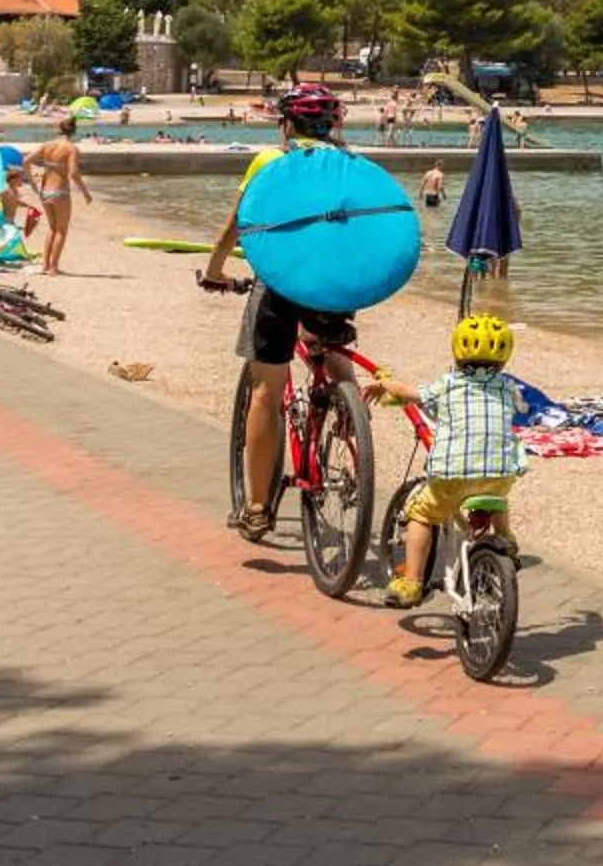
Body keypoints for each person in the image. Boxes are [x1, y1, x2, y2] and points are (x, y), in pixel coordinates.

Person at [199, 86, 361, 541]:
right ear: (334, 125)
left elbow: (238, 223)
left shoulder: (270, 161)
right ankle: (351, 426)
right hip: (335, 284)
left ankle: (255, 508)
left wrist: (214, 270)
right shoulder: (352, 166)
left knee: (267, 393)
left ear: (286, 124)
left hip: (281, 283)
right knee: (325, 345)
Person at [364, 313, 526, 608]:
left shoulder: (448, 384)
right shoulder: (508, 388)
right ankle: (505, 539)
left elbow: (408, 394)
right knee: (494, 487)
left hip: (453, 477)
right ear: (504, 360)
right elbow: (519, 408)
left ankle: (412, 582)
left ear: (456, 353)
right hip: (501, 475)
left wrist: (385, 383)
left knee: (422, 514)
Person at [29, 115, 92, 274]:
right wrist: (85, 193)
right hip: (60, 192)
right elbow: (74, 173)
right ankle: (53, 267)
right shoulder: (71, 149)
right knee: (61, 230)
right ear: (74, 131)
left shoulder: (47, 145)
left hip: (44, 191)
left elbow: (25, 160)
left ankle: (45, 266)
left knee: (52, 228)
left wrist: (32, 182)